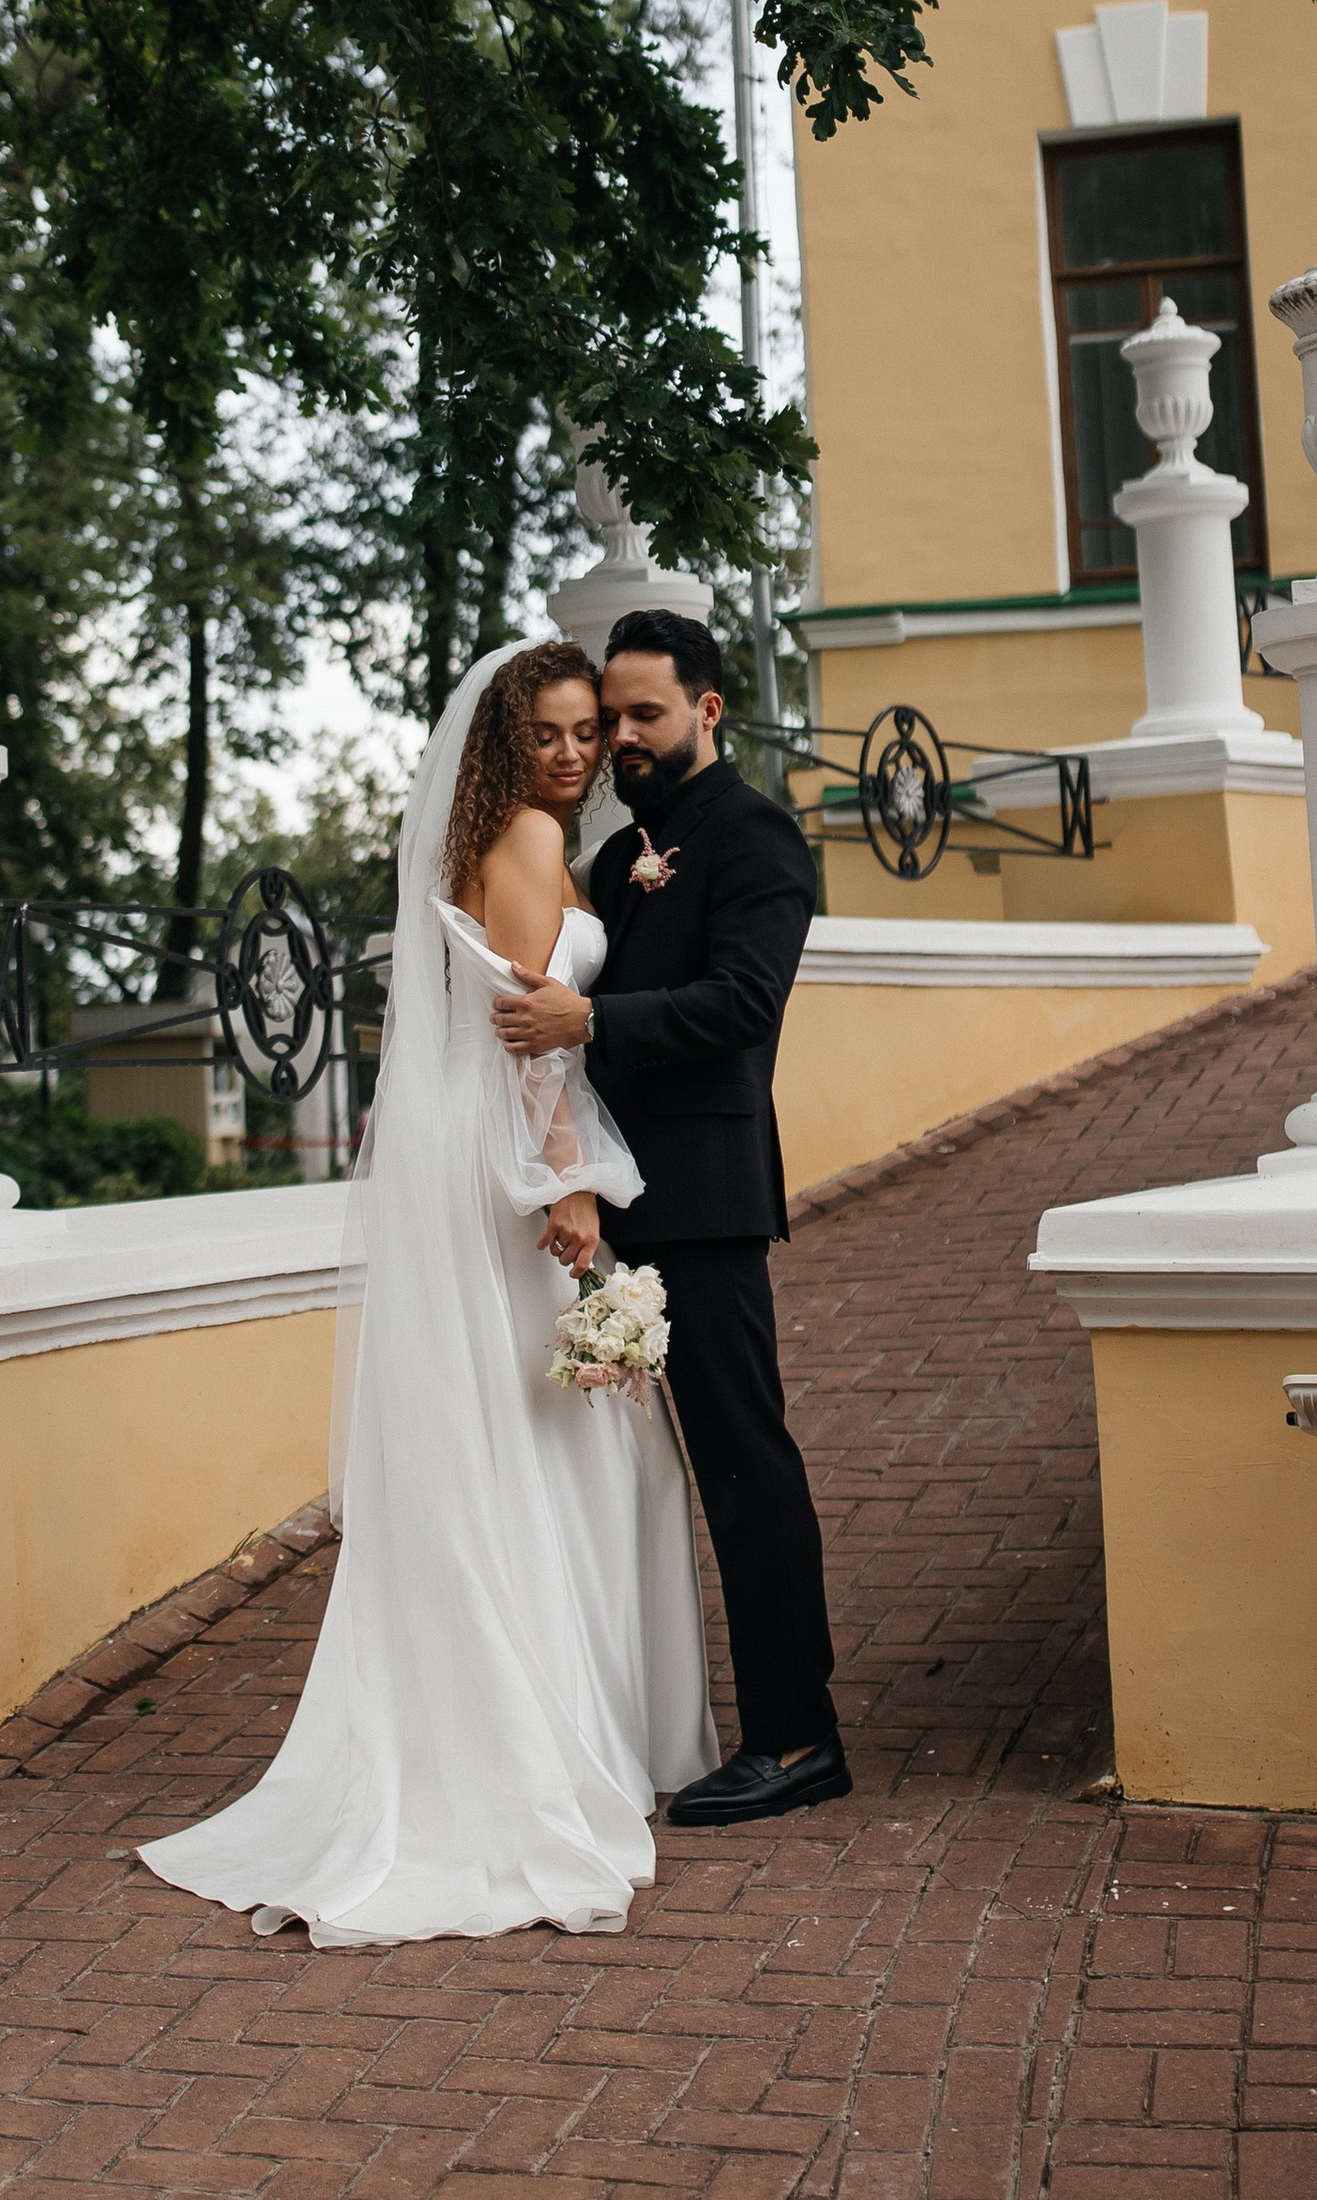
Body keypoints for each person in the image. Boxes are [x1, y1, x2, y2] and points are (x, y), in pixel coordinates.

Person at [139, 638, 716, 1946]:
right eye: (547, 733)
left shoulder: (498, 836)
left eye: (586, 733)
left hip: (457, 1144)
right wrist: (565, 1187)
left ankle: (519, 1718)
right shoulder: (527, 837)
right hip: (502, 1155)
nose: (571, 753)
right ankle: (529, 1746)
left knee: (500, 1428)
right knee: (539, 1433)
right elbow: (528, 1034)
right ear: (506, 740)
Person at [491, 606, 845, 1823]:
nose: (621, 737)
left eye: (644, 713)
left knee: (744, 1463)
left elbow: (744, 1003)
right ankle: (624, 1720)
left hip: (702, 1198)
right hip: (615, 1199)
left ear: (707, 708)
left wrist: (592, 1019)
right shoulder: (616, 855)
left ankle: (797, 1738)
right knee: (624, 1476)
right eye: (611, 718)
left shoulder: (752, 834)